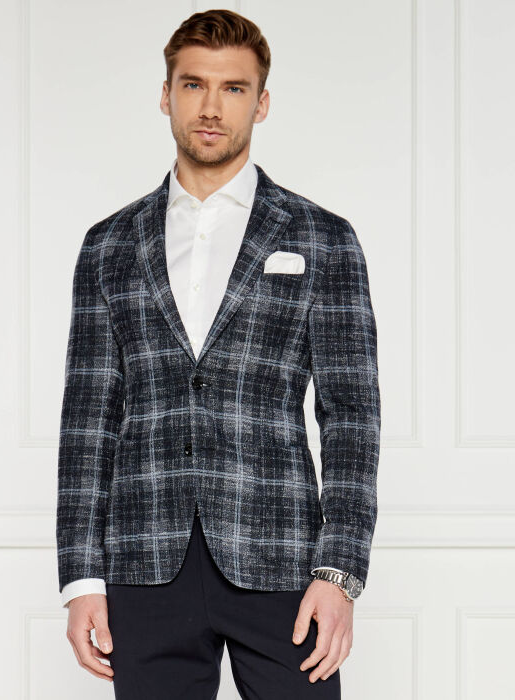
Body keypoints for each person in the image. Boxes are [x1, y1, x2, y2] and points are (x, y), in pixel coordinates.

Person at [56, 8, 380, 699]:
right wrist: (81, 579)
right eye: (194, 84)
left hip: (283, 562)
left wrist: (340, 572)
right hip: (145, 562)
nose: (211, 107)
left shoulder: (323, 238)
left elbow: (352, 416)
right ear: (165, 94)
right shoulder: (109, 245)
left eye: (233, 88)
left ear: (261, 103)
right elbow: (88, 420)